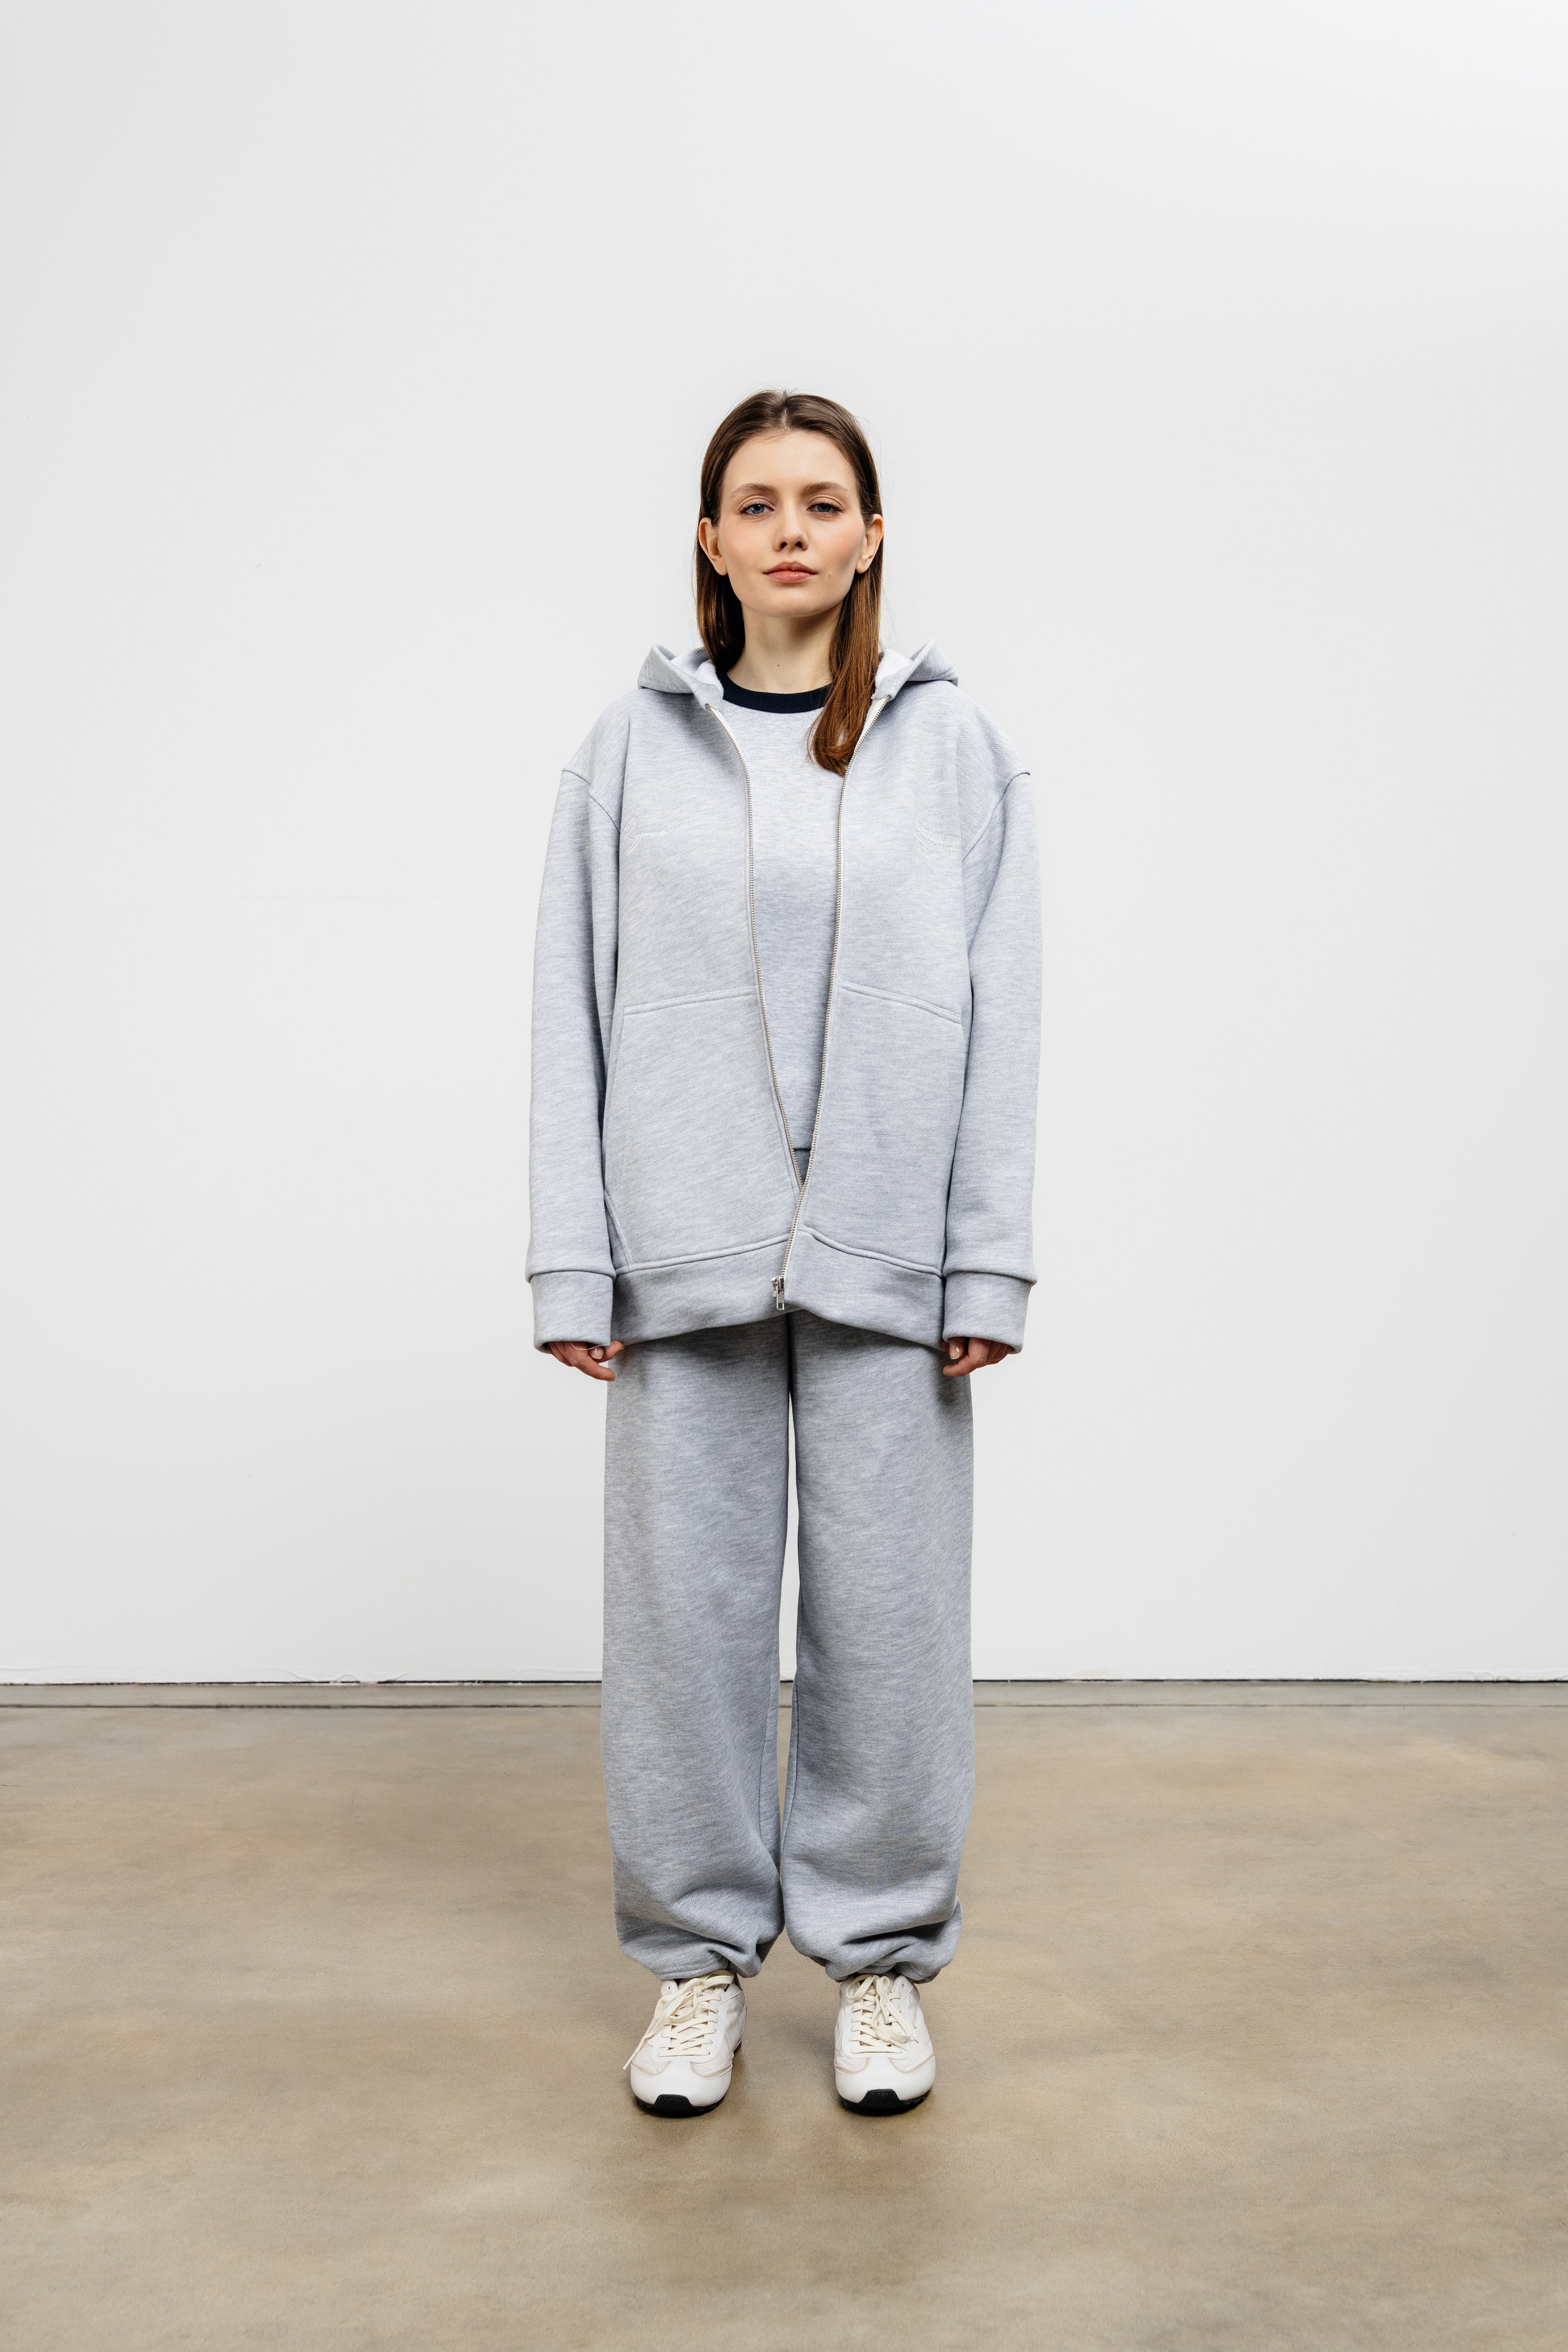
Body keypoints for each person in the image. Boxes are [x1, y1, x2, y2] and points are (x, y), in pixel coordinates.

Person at [527, 389, 1040, 2118]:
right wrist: (572, 1260)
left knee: (890, 1626)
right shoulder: (625, 751)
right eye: (757, 502)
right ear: (712, 538)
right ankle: (696, 1969)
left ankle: (880, 1962)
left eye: (824, 500)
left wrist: (985, 1262)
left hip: (891, 1250)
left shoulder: (955, 750)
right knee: (683, 1630)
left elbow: (1005, 1015)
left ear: (872, 535)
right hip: (681, 1246)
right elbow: (570, 1012)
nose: (792, 529)